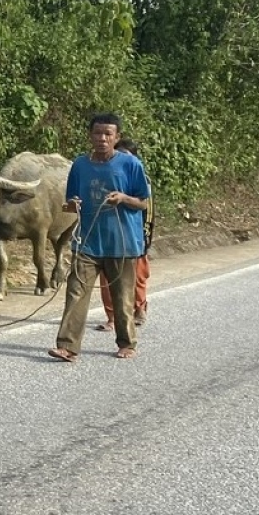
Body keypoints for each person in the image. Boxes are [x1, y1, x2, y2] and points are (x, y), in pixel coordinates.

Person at [48, 112, 151, 362]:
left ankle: (127, 343)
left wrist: (124, 198)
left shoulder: (130, 165)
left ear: (117, 137)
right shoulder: (81, 165)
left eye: (108, 134)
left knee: (122, 294)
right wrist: (72, 205)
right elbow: (72, 200)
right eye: (97, 133)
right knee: (75, 292)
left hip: (122, 242)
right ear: (90, 136)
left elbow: (143, 202)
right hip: (88, 241)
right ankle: (67, 347)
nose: (102, 138)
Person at [96, 138, 154, 331]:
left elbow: (148, 210)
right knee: (107, 279)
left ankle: (139, 308)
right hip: (108, 235)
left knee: (137, 276)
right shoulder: (105, 176)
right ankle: (111, 317)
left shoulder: (141, 180)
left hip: (134, 235)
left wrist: (145, 236)